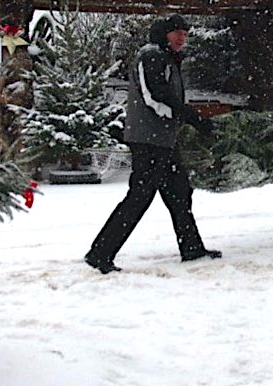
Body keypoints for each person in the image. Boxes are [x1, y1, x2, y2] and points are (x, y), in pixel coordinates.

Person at [84, 14, 221, 274]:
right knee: (139, 197)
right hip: (149, 140)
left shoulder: (167, 57)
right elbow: (154, 94)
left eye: (185, 33)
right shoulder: (152, 55)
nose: (182, 37)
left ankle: (191, 248)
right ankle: (100, 253)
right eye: (177, 32)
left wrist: (186, 118)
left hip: (163, 140)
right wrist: (189, 117)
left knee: (179, 193)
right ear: (164, 33)